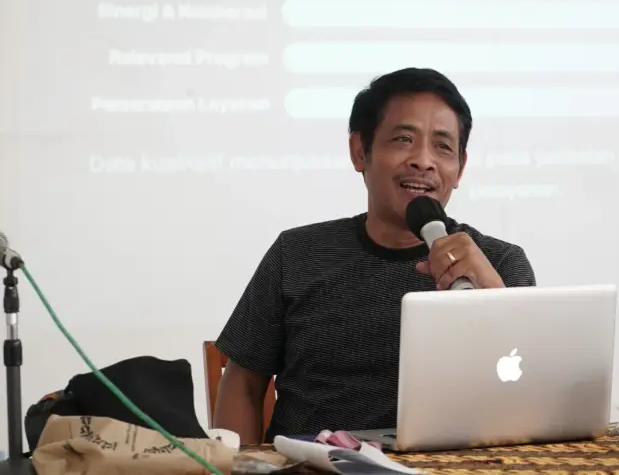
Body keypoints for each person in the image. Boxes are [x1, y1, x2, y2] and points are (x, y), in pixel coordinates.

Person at [213, 68, 537, 444]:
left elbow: (529, 402)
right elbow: (242, 382)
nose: (423, 161)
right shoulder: (297, 254)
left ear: (460, 168)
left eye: (443, 147)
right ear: (359, 151)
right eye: (403, 139)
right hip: (314, 464)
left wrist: (495, 302)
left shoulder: (499, 264)